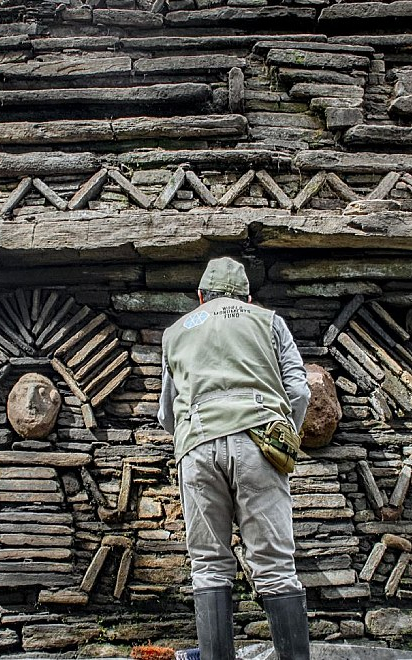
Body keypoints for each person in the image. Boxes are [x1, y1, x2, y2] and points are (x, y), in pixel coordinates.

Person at [157, 257, 311, 660]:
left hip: (197, 444)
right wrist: (284, 433)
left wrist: (191, 441)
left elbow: (166, 413)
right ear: (247, 295)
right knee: (275, 564)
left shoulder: (175, 333)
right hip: (258, 439)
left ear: (200, 296)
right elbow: (300, 391)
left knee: (208, 562)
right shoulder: (269, 321)